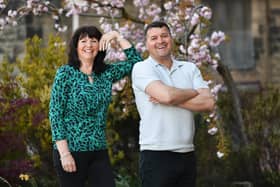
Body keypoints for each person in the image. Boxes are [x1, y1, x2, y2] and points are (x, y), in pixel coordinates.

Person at [49, 25, 142, 187]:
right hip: (71, 151)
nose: (89, 45)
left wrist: (117, 36)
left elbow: (137, 64)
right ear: (76, 47)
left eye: (94, 41)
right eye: (83, 41)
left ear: (100, 46)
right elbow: (55, 114)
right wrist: (64, 154)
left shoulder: (106, 74)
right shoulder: (65, 73)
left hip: (98, 151)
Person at [132, 21, 215, 187]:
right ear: (147, 44)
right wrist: (192, 92)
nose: (160, 41)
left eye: (164, 36)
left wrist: (171, 99)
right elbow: (168, 96)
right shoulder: (141, 68)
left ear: (171, 38)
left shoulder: (189, 68)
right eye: (154, 38)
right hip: (156, 154)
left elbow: (208, 103)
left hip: (187, 153)